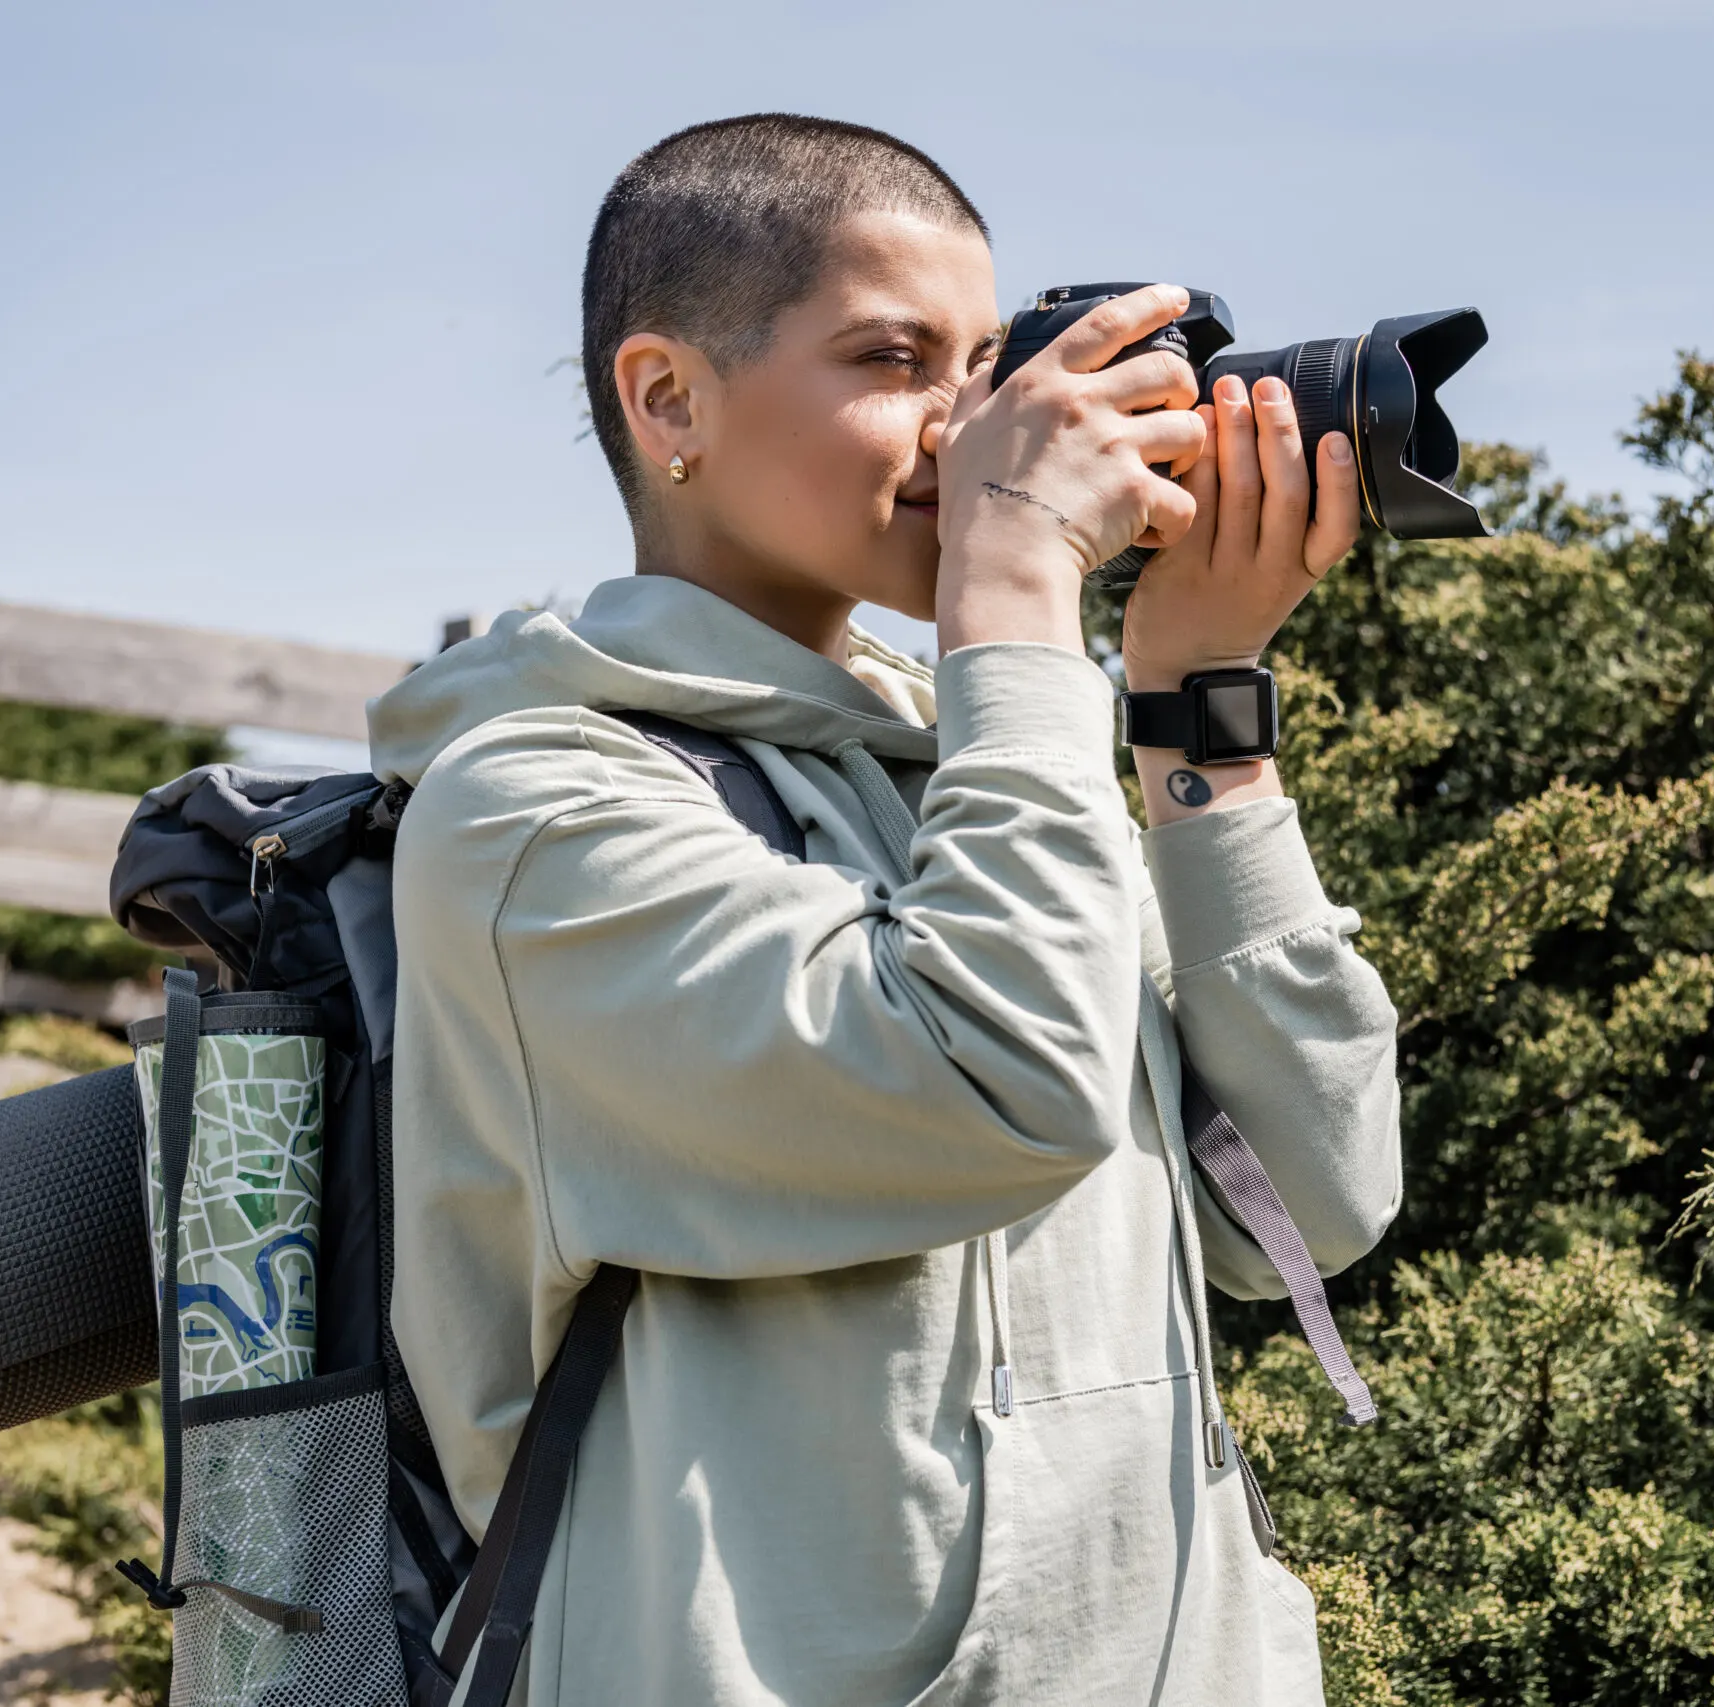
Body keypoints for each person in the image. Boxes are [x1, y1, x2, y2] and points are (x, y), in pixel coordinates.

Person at [368, 113, 1401, 1707]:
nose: (972, 426)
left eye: (986, 363)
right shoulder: (531, 817)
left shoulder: (982, 765)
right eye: (892, 358)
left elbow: (1309, 1210)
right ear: (668, 401)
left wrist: (1198, 708)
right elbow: (1002, 1083)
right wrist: (1017, 590)